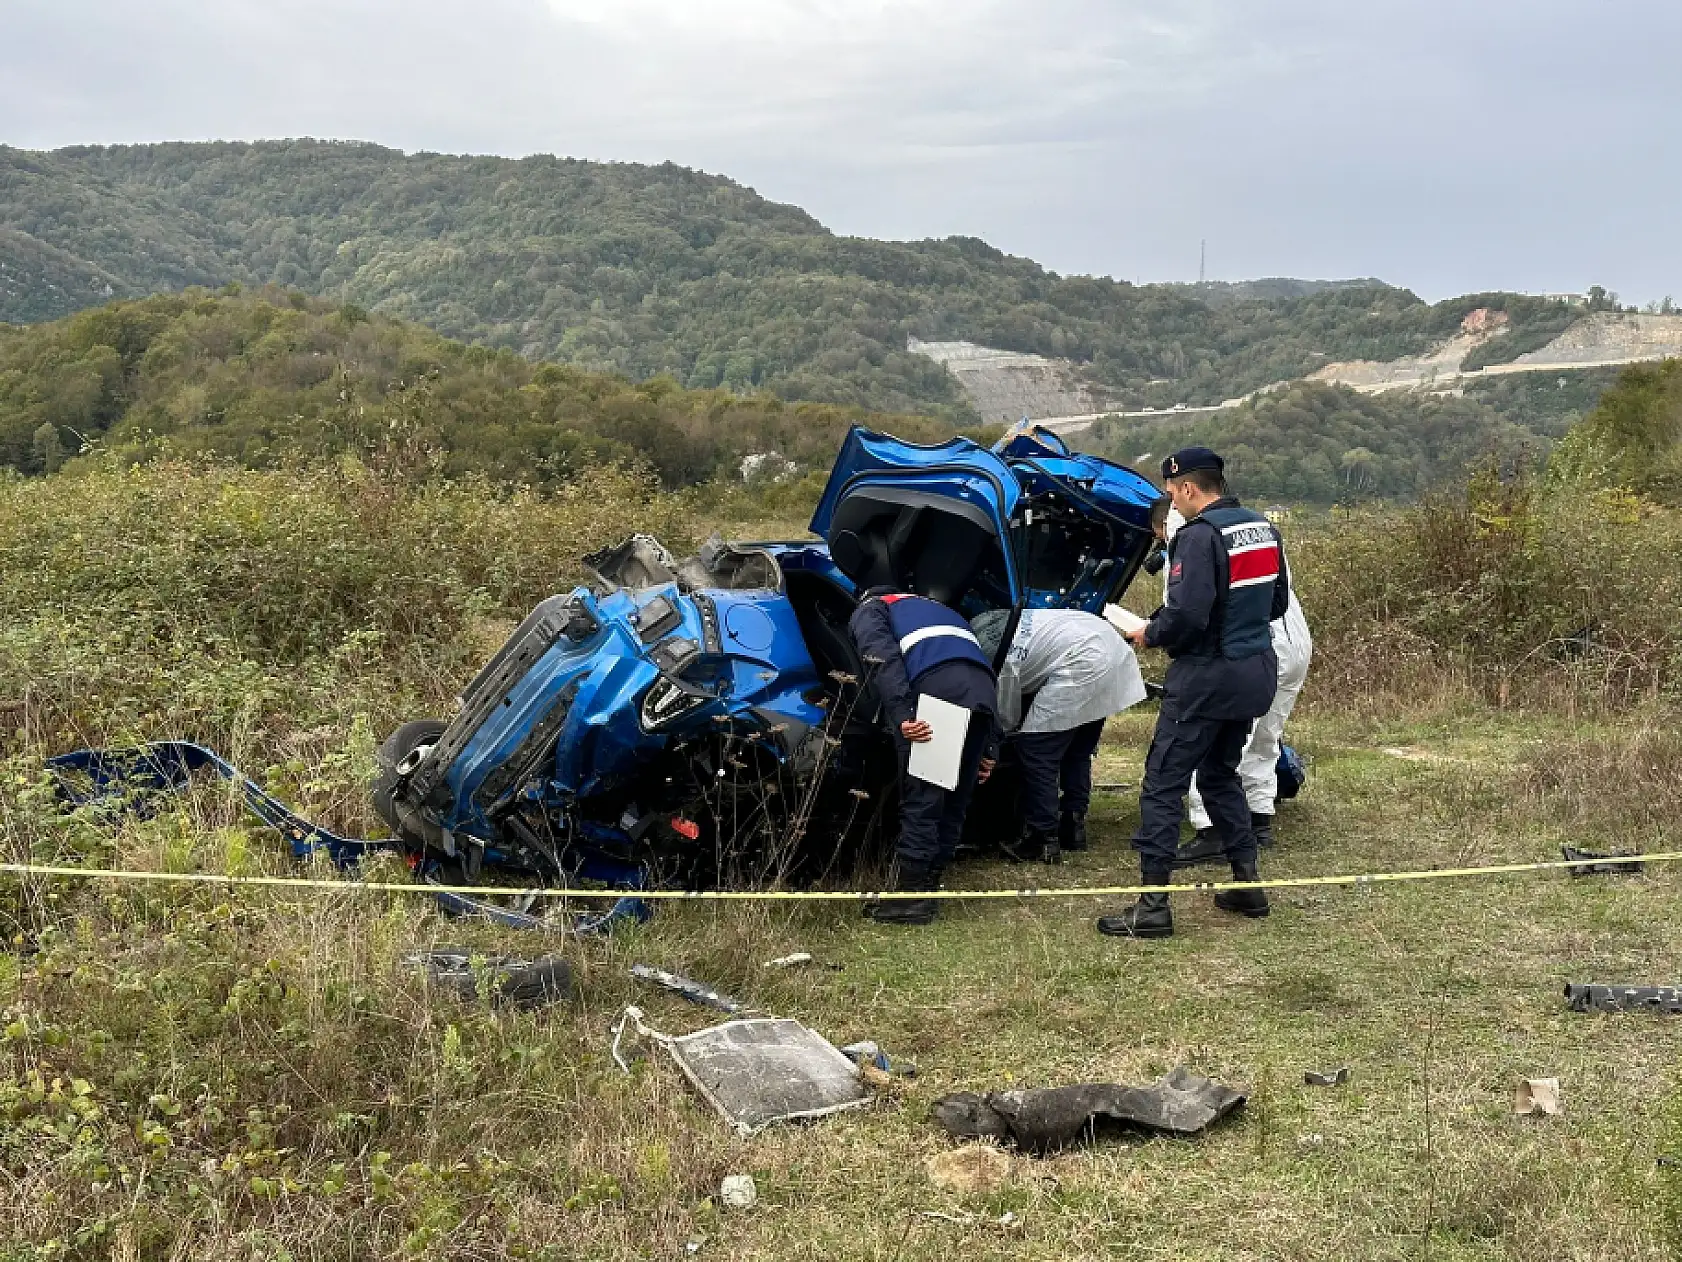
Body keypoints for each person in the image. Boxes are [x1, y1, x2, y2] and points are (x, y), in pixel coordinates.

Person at [1096, 447, 1289, 940]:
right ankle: (1247, 883)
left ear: (1188, 488)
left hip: (1206, 677)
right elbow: (1277, 603)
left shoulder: (1198, 537)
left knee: (1163, 782)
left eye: (1171, 491)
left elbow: (1187, 617)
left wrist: (1147, 633)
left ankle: (1154, 905)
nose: (1170, 500)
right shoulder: (1262, 528)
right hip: (1254, 672)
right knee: (1222, 775)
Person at [849, 586, 999, 925]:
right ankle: (930, 884)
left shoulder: (871, 609)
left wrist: (903, 716)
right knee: (955, 798)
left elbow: (881, 662)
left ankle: (911, 898)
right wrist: (990, 745)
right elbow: (976, 666)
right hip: (983, 692)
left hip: (938, 690)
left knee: (924, 798)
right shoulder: (941, 610)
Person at [973, 608, 1147, 864]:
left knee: (1035, 750)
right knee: (1077, 750)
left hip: (1081, 660)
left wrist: (992, 746)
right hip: (1108, 647)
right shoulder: (995, 619)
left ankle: (1041, 838)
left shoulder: (992, 654)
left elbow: (1005, 713)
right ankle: (1072, 826)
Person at [1179, 560, 1312, 862]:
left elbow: (1191, 606)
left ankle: (1212, 830)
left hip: (1254, 642)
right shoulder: (1259, 530)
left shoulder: (1191, 529)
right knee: (1266, 735)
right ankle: (1258, 818)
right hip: (1293, 638)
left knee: (1214, 738)